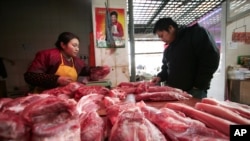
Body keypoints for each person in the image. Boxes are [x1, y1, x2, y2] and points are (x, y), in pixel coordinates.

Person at [151, 17, 220, 99]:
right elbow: (166, 68)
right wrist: (160, 77)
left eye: (162, 36)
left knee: (193, 111)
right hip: (174, 92)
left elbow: (211, 58)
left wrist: (199, 85)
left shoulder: (195, 33)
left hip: (194, 91)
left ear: (170, 28)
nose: (161, 39)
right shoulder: (169, 50)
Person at [24, 32, 90, 92]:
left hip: (65, 97)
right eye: (74, 45)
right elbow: (30, 76)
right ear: (63, 45)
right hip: (46, 98)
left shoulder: (76, 61)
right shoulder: (48, 55)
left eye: (78, 46)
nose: (77, 49)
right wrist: (56, 79)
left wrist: (98, 71)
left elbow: (88, 71)